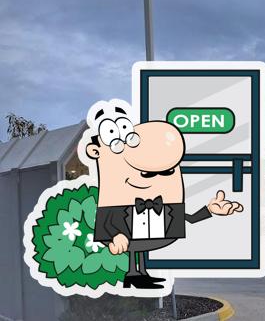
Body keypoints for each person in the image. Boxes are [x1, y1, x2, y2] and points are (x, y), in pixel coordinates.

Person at [85, 101, 243, 289]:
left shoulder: (165, 206)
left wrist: (209, 210)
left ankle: (141, 273)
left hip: (149, 232)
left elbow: (189, 219)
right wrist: (114, 236)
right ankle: (132, 274)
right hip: (124, 236)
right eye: (147, 173)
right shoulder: (114, 204)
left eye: (167, 172)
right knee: (135, 246)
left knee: (140, 248)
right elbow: (105, 224)